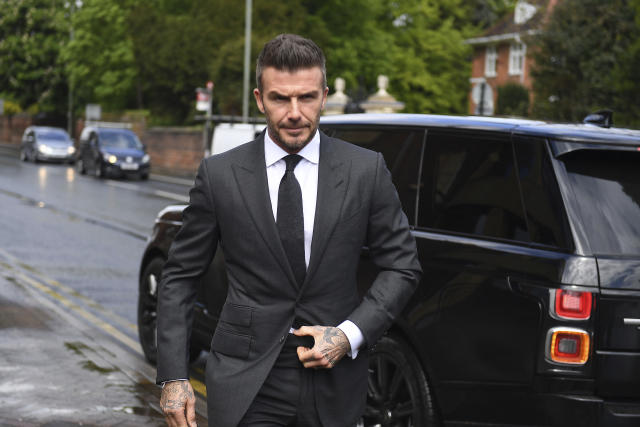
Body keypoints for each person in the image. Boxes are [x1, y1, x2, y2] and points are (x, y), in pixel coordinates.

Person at [156, 33, 422, 427]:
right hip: (247, 381)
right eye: (281, 98)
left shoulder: (365, 170)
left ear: (324, 96)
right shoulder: (220, 175)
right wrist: (174, 375)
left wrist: (349, 335)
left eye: (307, 98)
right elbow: (180, 277)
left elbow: (402, 267)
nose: (295, 112)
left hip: (334, 380)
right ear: (260, 99)